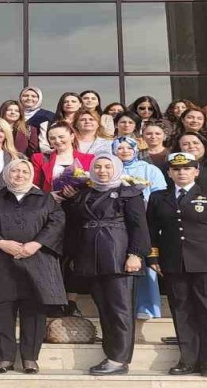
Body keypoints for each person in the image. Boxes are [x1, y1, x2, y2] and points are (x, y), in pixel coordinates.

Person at [0, 158, 66, 374]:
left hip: (37, 260)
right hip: (0, 262)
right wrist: (1, 243)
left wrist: (36, 244)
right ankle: (4, 358)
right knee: (1, 311)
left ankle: (30, 358)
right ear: (6, 175)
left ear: (31, 175)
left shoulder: (45, 199)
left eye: (24, 171)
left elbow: (57, 222)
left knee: (34, 311)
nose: (19, 175)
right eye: (15, 171)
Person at [149, 151, 207, 376]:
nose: (182, 172)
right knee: (182, 311)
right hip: (174, 263)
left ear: (196, 172)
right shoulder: (159, 197)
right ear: (169, 172)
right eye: (176, 169)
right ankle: (187, 360)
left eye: (187, 168)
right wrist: (153, 257)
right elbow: (151, 231)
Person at [62, 154, 150, 375]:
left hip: (119, 256)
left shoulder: (129, 193)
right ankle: (110, 354)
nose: (102, 171)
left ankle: (119, 359)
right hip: (92, 259)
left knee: (121, 311)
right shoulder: (85, 194)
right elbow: (75, 224)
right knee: (105, 310)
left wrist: (136, 254)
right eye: (98, 166)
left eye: (107, 167)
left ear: (117, 169)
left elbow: (139, 227)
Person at [113, 136, 167, 321]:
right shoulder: (110, 168)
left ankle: (146, 306)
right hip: (116, 223)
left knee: (144, 261)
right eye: (120, 148)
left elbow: (160, 196)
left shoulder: (149, 169)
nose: (125, 151)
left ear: (136, 150)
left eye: (129, 147)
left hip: (142, 221)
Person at [31, 122, 94, 194]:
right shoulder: (39, 158)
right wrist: (48, 196)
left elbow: (95, 185)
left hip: (79, 202)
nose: (57, 141)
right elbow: (34, 185)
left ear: (72, 136)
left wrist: (77, 194)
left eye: (61, 137)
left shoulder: (90, 159)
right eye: (52, 138)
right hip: (51, 202)